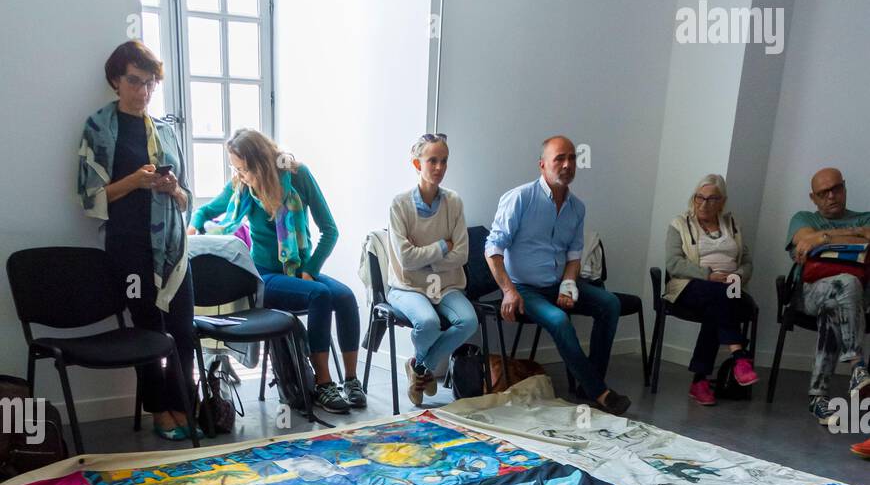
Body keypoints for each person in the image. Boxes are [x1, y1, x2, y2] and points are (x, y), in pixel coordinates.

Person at [191, 129, 365, 415]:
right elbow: (206, 211)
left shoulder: (298, 176)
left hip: (299, 270)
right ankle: (323, 383)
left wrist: (310, 268)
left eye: (244, 169)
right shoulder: (242, 186)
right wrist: (194, 225)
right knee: (320, 295)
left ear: (261, 163)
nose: (240, 175)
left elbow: (330, 230)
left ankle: (351, 380)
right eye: (236, 168)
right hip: (265, 276)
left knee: (345, 297)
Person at [78, 40, 198, 440]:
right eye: (135, 81)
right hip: (129, 246)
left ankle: (183, 404)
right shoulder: (99, 128)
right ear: (116, 80)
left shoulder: (165, 130)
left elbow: (186, 198)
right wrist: (133, 182)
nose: (143, 91)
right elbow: (90, 197)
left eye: (150, 83)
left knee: (183, 328)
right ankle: (159, 410)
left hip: (172, 249)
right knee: (148, 331)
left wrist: (173, 189)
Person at [485, 136, 630, 415]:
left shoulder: (577, 208)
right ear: (543, 165)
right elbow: (493, 248)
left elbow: (574, 255)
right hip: (524, 288)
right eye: (559, 159)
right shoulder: (520, 198)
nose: (567, 164)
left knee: (610, 303)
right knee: (559, 319)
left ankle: (588, 383)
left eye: (572, 158)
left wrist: (567, 284)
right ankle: (599, 392)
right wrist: (508, 290)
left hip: (557, 283)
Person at [387, 134, 478, 406]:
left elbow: (461, 254)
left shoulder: (454, 202)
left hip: (446, 284)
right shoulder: (399, 204)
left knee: (468, 321)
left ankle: (419, 369)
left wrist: (424, 256)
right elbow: (405, 259)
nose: (439, 167)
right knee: (427, 323)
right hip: (407, 285)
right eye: (433, 161)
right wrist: (441, 246)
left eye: (444, 161)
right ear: (417, 163)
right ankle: (425, 372)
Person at [786, 167, 870, 428]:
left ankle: (818, 400)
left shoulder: (865, 216)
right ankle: (857, 364)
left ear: (844, 187)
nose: (831, 196)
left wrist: (822, 237)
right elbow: (802, 240)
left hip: (849, 301)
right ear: (813, 198)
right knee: (847, 282)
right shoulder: (802, 217)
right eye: (824, 193)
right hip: (811, 292)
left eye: (836, 189)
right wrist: (857, 234)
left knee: (835, 305)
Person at [664, 174, 757, 405]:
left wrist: (738, 276)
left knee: (719, 304)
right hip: (689, 287)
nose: (704, 204)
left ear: (722, 202)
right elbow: (673, 263)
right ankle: (739, 356)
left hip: (730, 288)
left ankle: (700, 381)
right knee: (719, 297)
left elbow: (747, 262)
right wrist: (709, 275)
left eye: (711, 199)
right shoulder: (679, 224)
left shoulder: (733, 225)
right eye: (699, 198)